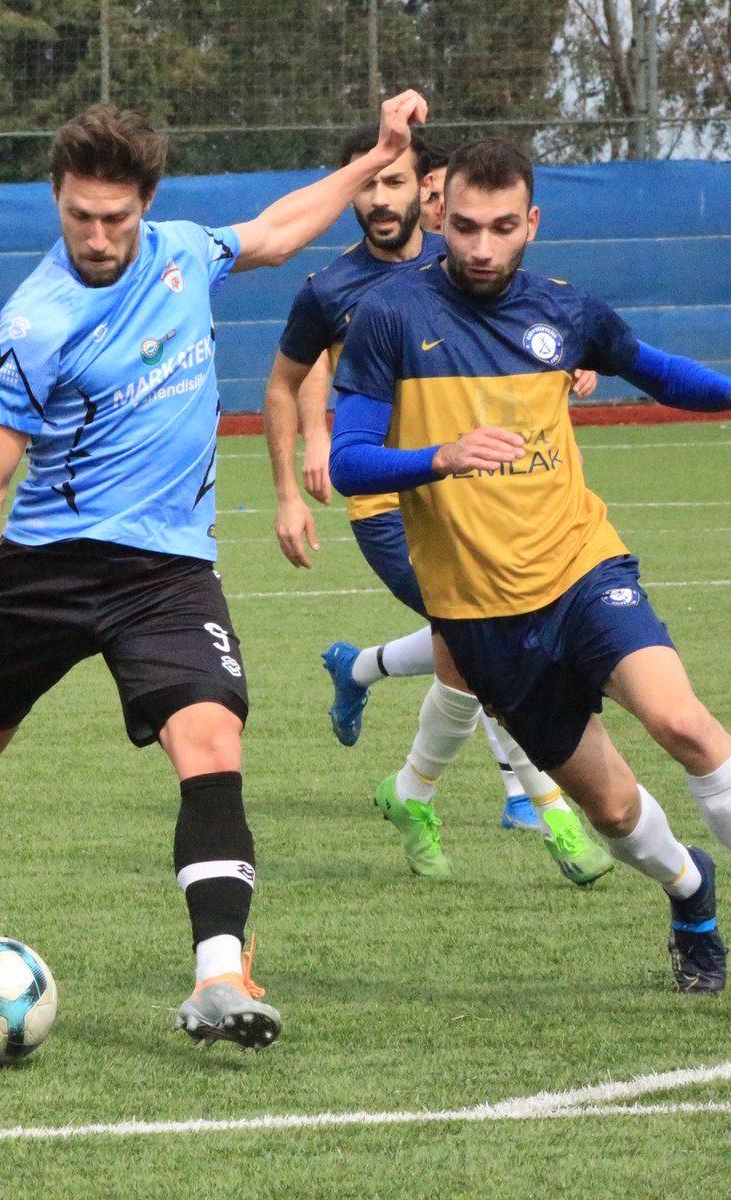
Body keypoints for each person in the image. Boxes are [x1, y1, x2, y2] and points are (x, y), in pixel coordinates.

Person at [0, 90, 429, 1050]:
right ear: (56, 200)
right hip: (51, 566)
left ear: (144, 204)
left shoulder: (185, 251)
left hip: (167, 571)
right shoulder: (34, 323)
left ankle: (220, 978)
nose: (99, 236)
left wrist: (374, 160)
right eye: (80, 216)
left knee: (212, 744)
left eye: (116, 217)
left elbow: (276, 232)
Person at [328, 137, 731, 992]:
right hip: (482, 617)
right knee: (615, 810)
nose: (479, 247)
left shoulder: (567, 310)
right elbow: (349, 460)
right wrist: (440, 457)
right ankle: (690, 890)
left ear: (531, 224)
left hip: (583, 568)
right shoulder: (390, 316)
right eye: (465, 226)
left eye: (502, 227)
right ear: (440, 217)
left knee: (682, 721)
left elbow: (648, 368)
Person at [263, 125, 613, 886]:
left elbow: (530, 345)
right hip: (389, 505)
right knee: (493, 646)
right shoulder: (330, 289)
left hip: (486, 501)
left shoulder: (465, 266)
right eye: (368, 184)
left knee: (478, 650)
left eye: (398, 183)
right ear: (350, 189)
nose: (382, 198)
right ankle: (548, 808)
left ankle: (392, 743)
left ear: (427, 194)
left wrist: (569, 370)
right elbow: (286, 382)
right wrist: (296, 479)